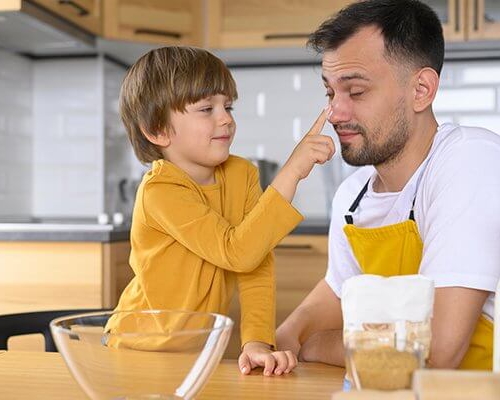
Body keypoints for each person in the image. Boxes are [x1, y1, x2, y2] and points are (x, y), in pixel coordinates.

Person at [276, 0, 500, 370]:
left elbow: (435, 352)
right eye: (330, 92)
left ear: (421, 90)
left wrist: (316, 345)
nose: (334, 113)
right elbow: (330, 301)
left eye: (356, 92)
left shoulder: (471, 161)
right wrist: (288, 337)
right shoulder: (354, 197)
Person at [106, 46, 336, 376]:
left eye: (227, 106)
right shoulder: (161, 191)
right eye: (206, 109)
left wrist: (257, 341)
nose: (226, 118)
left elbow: (255, 263)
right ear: (157, 129)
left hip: (198, 351)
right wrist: (292, 171)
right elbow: (236, 251)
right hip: (137, 349)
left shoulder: (242, 175)